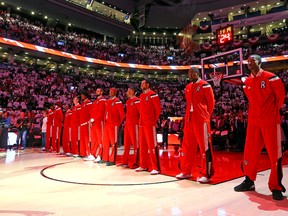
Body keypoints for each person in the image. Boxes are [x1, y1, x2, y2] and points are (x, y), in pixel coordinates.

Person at [234, 54, 286, 201]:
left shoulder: (272, 78)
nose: (249, 63)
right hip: (253, 121)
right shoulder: (247, 81)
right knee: (250, 152)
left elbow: (280, 98)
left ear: (260, 62)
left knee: (274, 155)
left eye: (252, 60)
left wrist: (270, 112)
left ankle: (276, 186)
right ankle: (249, 181)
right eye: (248, 61)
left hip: (270, 121)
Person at [176, 67, 215, 183]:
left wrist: (205, 116)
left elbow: (211, 103)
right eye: (189, 73)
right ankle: (186, 171)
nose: (190, 75)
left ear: (198, 73)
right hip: (189, 120)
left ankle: (206, 174)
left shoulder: (205, 85)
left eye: (192, 73)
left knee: (204, 147)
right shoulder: (188, 87)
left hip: (201, 120)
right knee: (187, 146)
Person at [135, 80, 161, 175]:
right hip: (141, 124)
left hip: (150, 124)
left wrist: (154, 121)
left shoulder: (153, 94)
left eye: (143, 83)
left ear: (148, 85)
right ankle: (143, 165)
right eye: (141, 83)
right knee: (143, 145)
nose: (141, 85)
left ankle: (155, 167)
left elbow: (158, 109)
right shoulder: (141, 96)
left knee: (152, 145)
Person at [117, 87, 140, 168]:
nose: (126, 92)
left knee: (135, 144)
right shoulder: (128, 101)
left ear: (132, 91)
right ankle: (124, 161)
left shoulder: (137, 100)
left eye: (128, 91)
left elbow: (140, 113)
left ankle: (136, 162)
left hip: (135, 124)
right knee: (126, 144)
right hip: (128, 124)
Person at [102, 88, 125, 166]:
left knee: (113, 143)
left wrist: (117, 124)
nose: (110, 93)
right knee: (105, 142)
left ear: (115, 93)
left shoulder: (117, 101)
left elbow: (122, 115)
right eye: (109, 92)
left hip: (113, 125)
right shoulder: (107, 101)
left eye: (111, 92)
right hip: (107, 124)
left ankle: (112, 159)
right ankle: (105, 158)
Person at [90, 88, 106, 162]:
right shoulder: (96, 101)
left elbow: (101, 112)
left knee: (100, 139)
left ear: (102, 92)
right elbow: (92, 111)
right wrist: (91, 119)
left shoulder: (103, 100)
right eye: (96, 91)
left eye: (98, 91)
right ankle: (93, 154)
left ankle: (100, 155)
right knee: (94, 139)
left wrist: (94, 118)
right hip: (94, 122)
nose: (97, 92)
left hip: (99, 122)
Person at [79, 91, 93, 159]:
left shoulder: (89, 103)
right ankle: (83, 153)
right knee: (83, 139)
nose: (81, 96)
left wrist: (90, 121)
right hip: (82, 123)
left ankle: (89, 153)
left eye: (82, 95)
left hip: (86, 123)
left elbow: (91, 112)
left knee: (87, 139)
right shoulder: (83, 103)